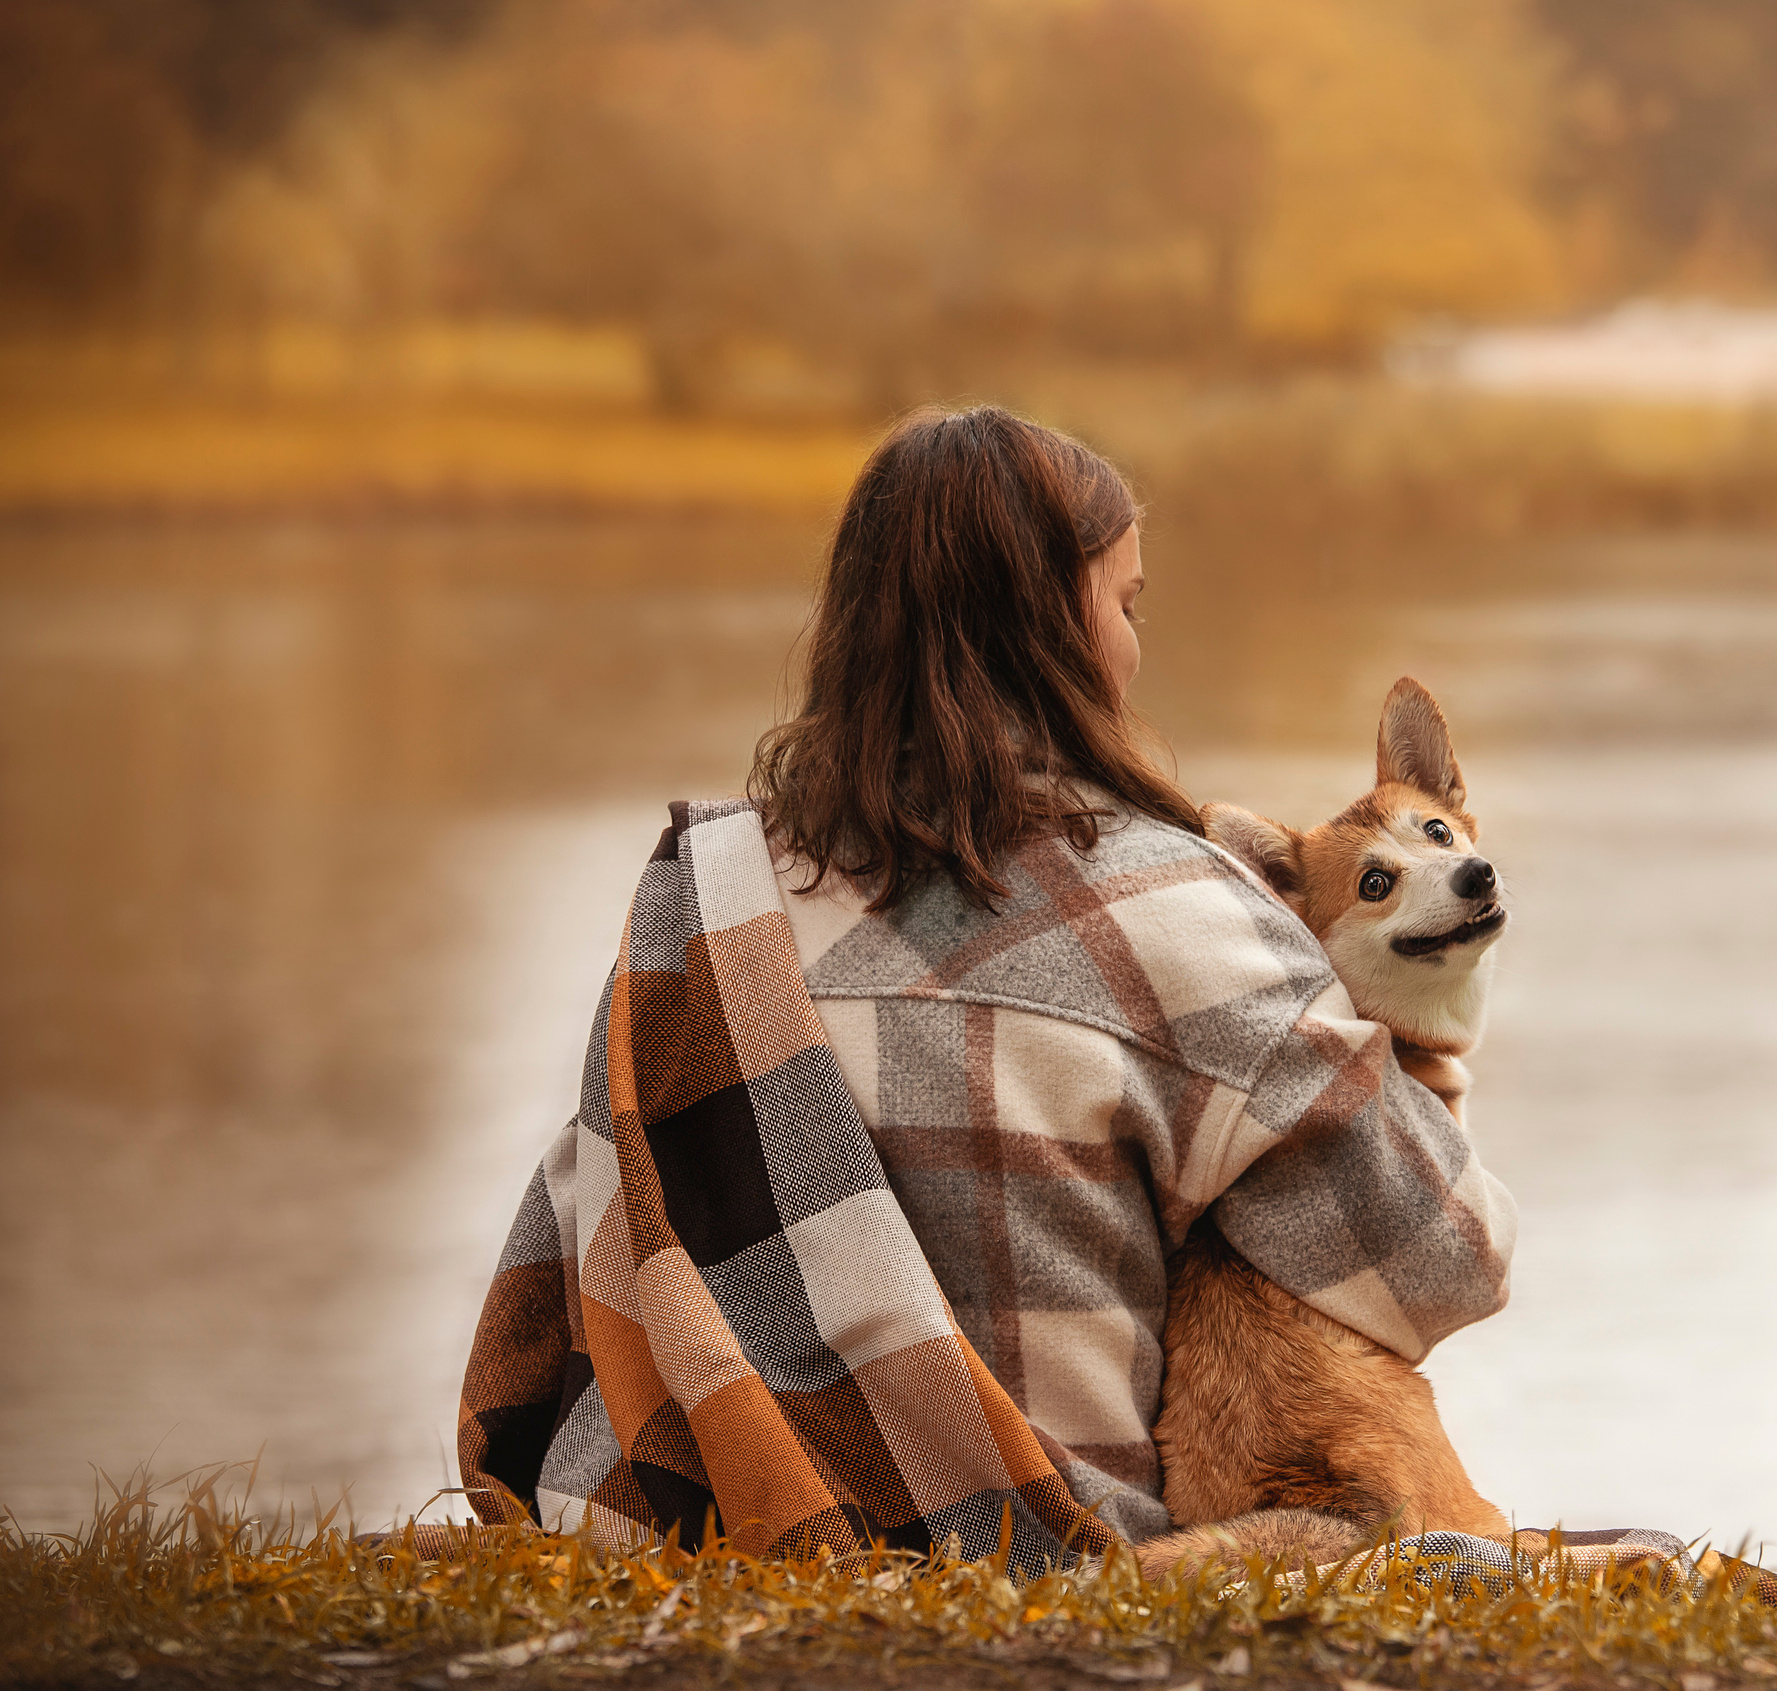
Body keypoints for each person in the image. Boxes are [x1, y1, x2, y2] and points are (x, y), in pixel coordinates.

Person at [452, 406, 1515, 1565]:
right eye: (1127, 604)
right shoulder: (1177, 914)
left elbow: (562, 1271)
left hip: (706, 1526)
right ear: (1055, 626)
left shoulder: (700, 902)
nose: (1134, 646)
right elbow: (1449, 1260)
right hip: (1035, 1542)